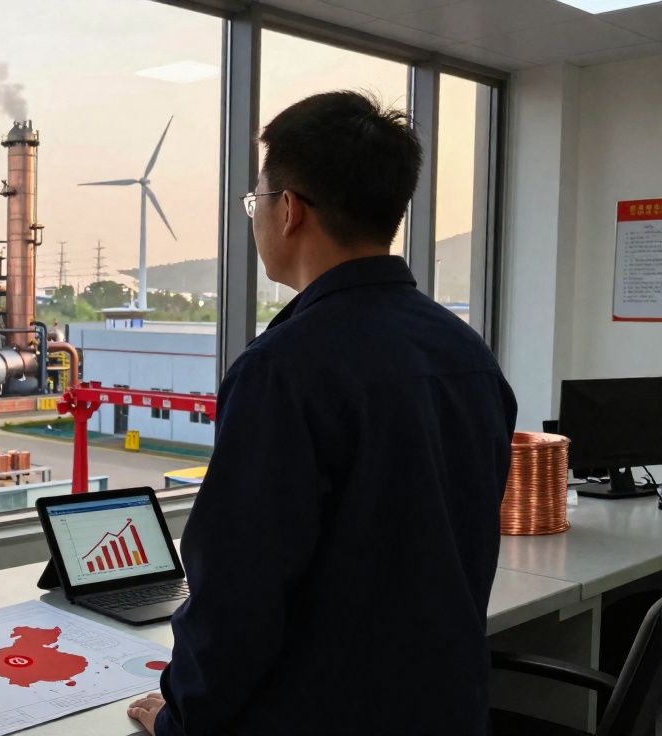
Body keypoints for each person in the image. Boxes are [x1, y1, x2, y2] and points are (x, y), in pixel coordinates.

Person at [128, 91, 517, 735]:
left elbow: (238, 595)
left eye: (255, 201)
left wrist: (181, 716)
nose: (254, 219)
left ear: (289, 211)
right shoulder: (466, 353)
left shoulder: (284, 370)